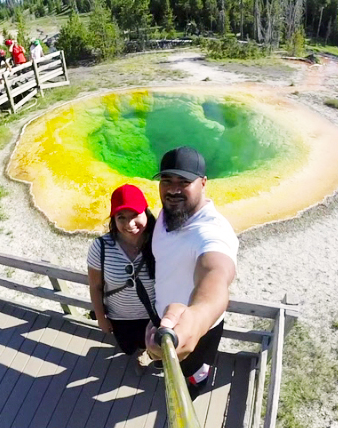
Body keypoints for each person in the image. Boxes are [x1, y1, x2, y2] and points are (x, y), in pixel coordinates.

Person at [145, 146, 238, 400]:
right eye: (166, 181)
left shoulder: (211, 232)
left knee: (193, 373)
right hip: (163, 319)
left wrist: (196, 321)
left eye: (184, 181)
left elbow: (216, 273)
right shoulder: (170, 212)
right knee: (167, 364)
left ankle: (194, 391)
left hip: (197, 331)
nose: (173, 189)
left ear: (204, 183)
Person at [87, 184, 156, 374]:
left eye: (135, 215)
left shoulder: (159, 243)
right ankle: (141, 352)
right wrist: (101, 317)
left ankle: (148, 355)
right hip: (120, 317)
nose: (129, 224)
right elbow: (95, 286)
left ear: (145, 213)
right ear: (113, 219)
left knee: (153, 345)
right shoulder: (101, 247)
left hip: (153, 316)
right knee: (128, 346)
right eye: (121, 217)